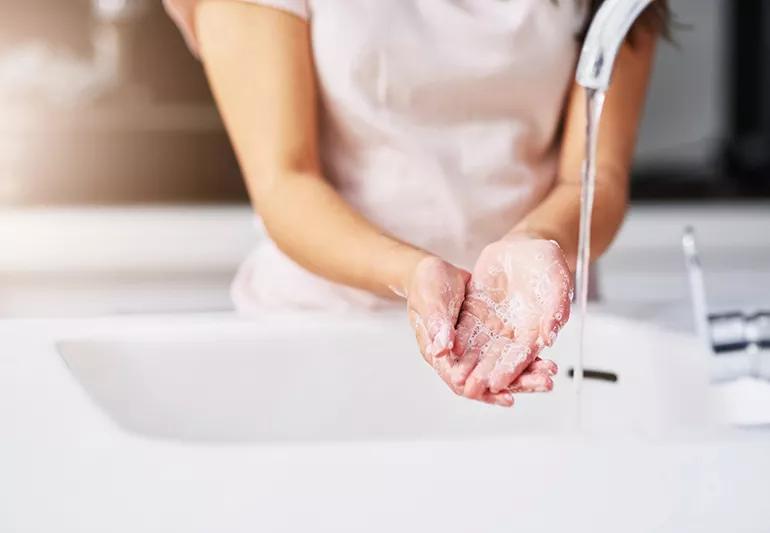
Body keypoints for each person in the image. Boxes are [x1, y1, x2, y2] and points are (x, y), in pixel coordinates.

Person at [164, 0, 667, 407]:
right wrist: (412, 272)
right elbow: (284, 182)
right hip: (322, 332)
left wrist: (537, 239)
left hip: (529, 337)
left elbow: (594, 178)